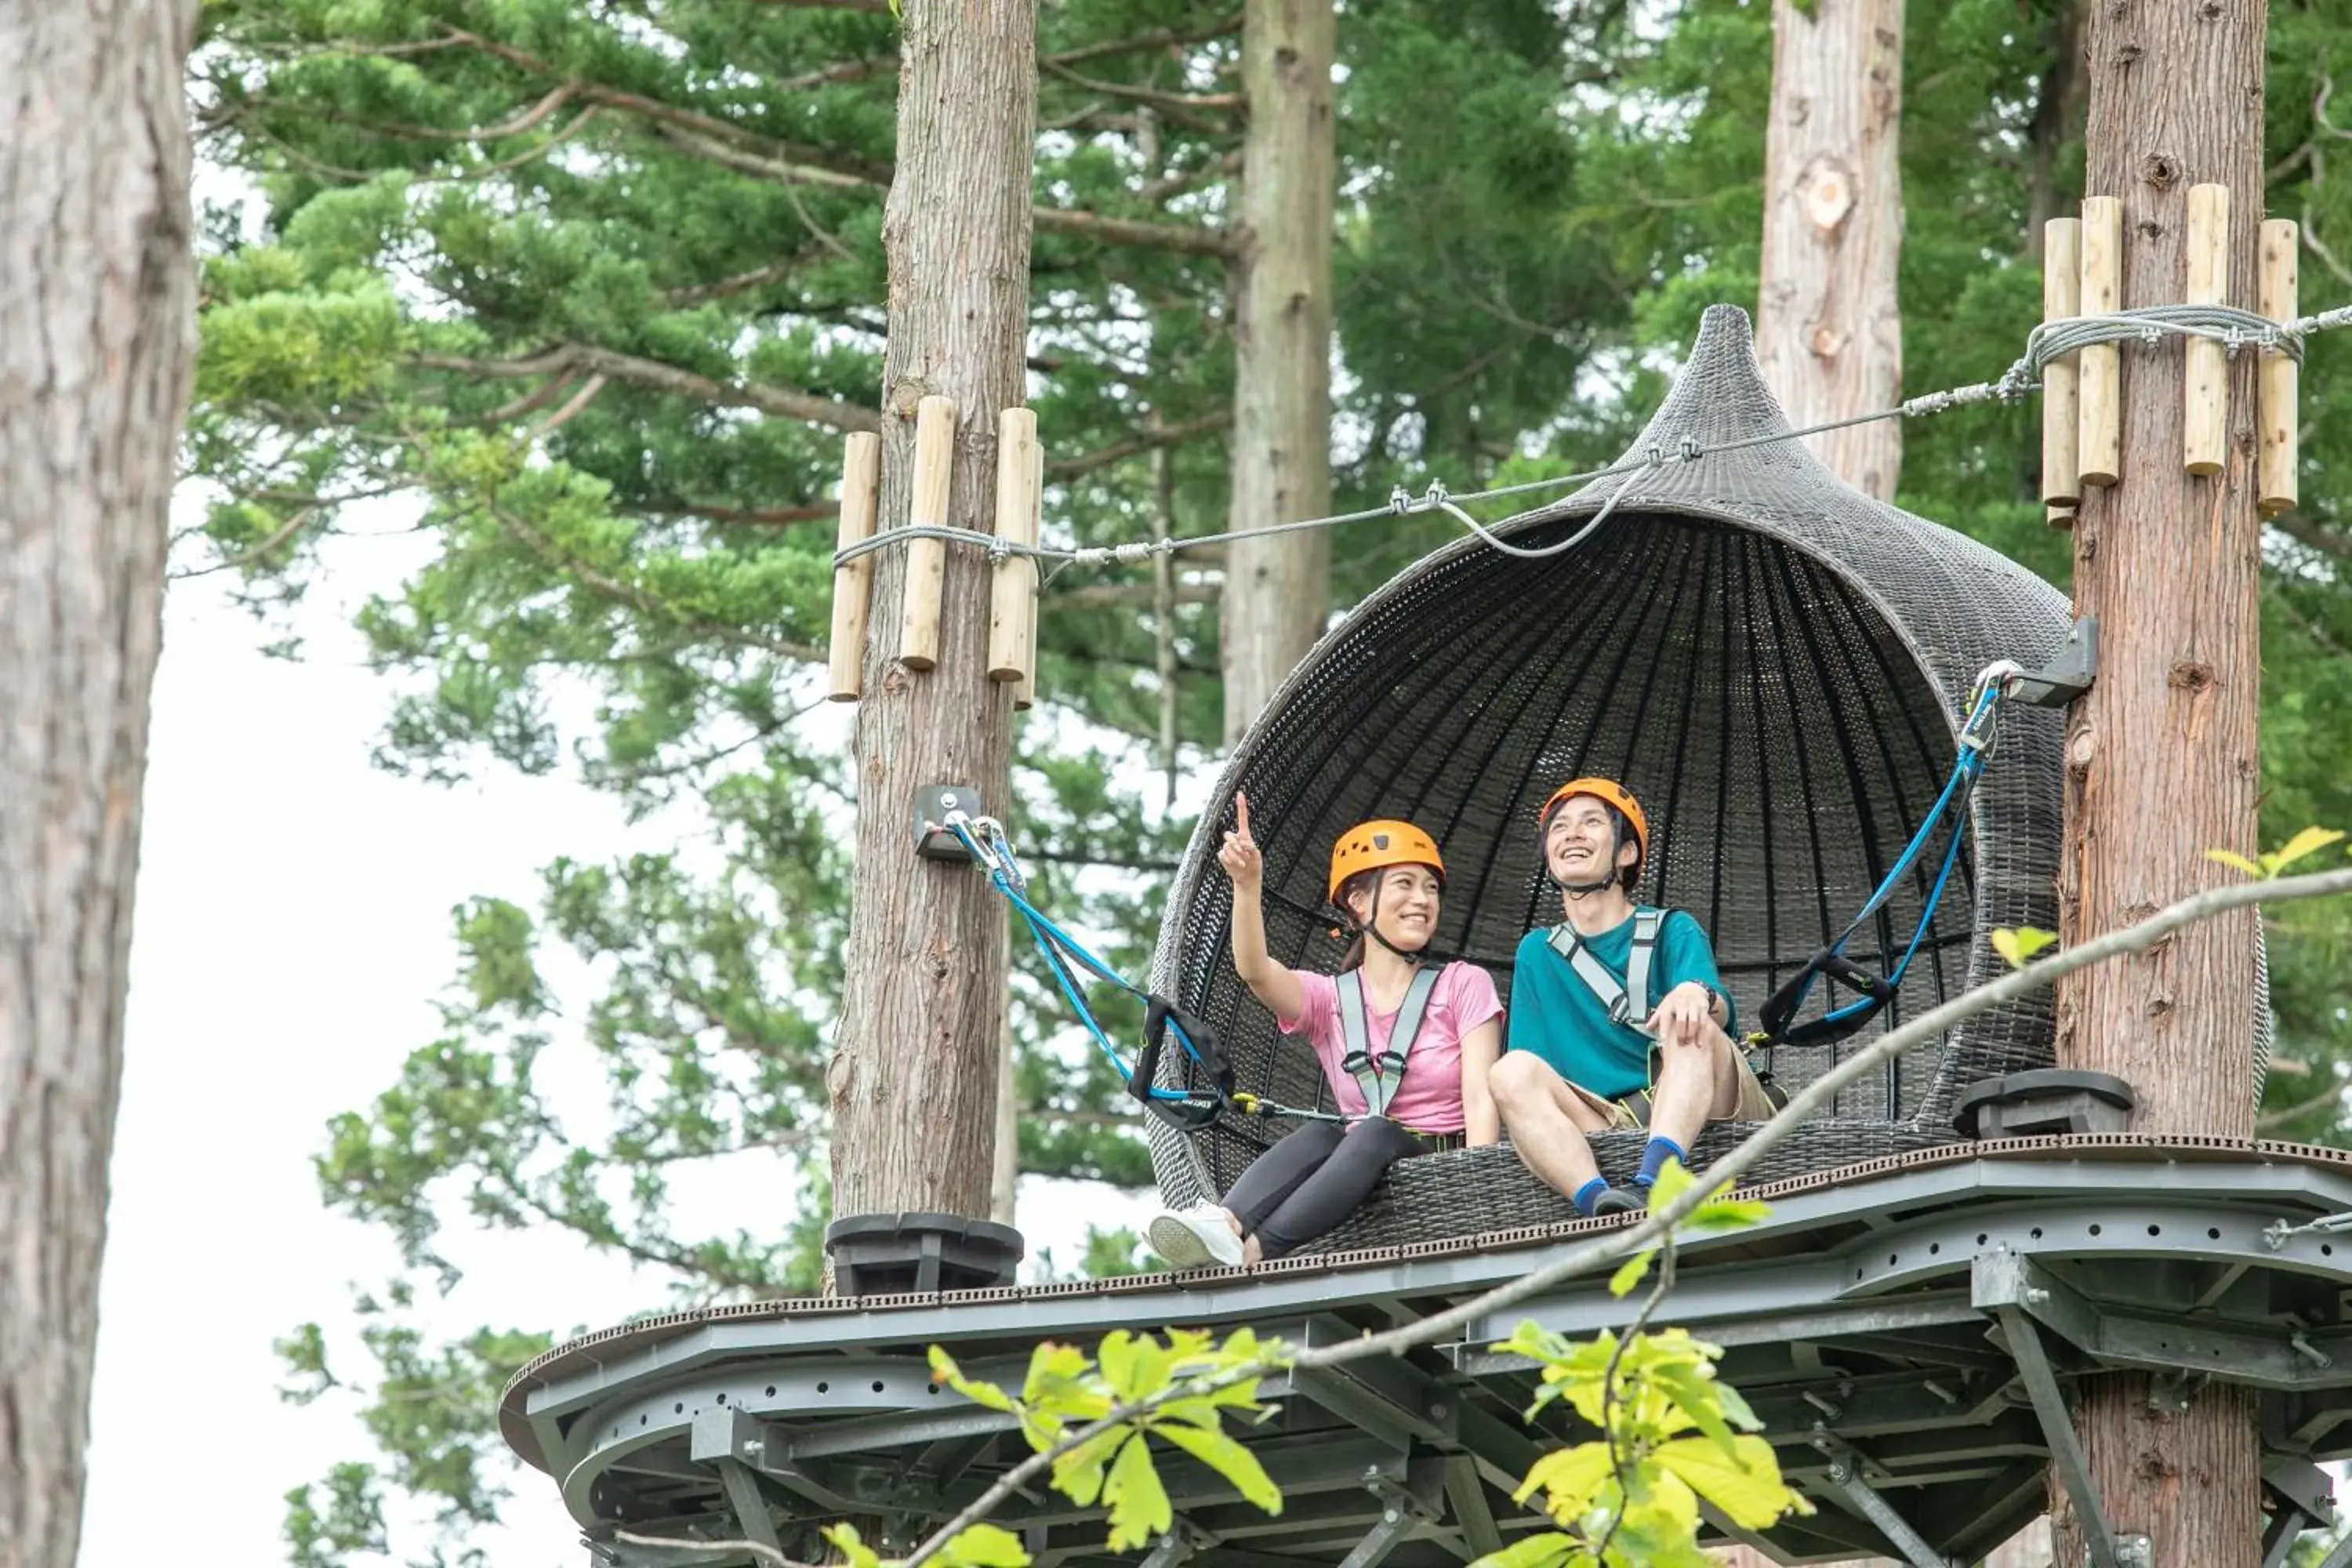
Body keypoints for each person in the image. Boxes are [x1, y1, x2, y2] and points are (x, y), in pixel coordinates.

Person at [1145, 796, 1502, 1269]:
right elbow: (1255, 971)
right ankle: (1226, 1224)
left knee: (1372, 1131)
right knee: (1321, 1136)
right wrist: (1247, 886)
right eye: (1405, 884)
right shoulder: (1331, 999)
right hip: (1359, 1165)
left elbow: (1481, 1097)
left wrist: (1477, 1194)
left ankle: (1254, 1252)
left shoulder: (1463, 983)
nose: (1423, 900)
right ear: (1358, 902)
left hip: (1439, 1162)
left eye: (1431, 888)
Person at [1490, 777, 1777, 1218]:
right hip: (1606, 1124)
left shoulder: (1672, 928)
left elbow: (1717, 1012)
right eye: (1560, 827)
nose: (1572, 834)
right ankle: (1600, 1203)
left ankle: (1656, 1180)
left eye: (1591, 823)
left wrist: (1694, 993)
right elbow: (1531, 1072)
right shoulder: (1536, 952)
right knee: (1509, 1072)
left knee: (1690, 1021)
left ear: (1626, 854)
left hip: (1706, 1106)